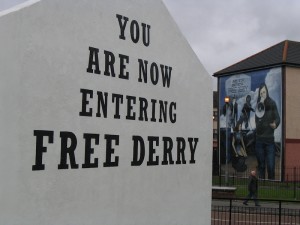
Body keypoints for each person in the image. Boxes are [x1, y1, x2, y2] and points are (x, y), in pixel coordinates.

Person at [255, 83, 280, 180]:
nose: (263, 94)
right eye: (261, 93)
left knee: (270, 165)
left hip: (269, 140)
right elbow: (257, 122)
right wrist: (260, 107)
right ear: (259, 94)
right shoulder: (258, 105)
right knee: (261, 165)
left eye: (264, 92)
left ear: (267, 92)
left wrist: (276, 124)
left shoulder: (272, 103)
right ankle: (261, 184)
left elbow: (277, 117)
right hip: (259, 140)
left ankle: (271, 184)